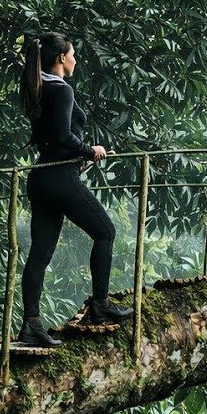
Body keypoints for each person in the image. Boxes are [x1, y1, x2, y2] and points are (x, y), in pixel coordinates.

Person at [17, 32, 133, 347]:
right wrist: (90, 150)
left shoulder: (38, 87)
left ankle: (31, 325)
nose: (75, 60)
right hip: (60, 177)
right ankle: (101, 305)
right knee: (105, 232)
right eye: (72, 54)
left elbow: (53, 138)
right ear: (61, 58)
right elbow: (63, 137)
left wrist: (81, 152)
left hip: (41, 178)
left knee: (40, 253)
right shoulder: (62, 89)